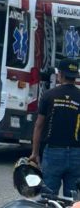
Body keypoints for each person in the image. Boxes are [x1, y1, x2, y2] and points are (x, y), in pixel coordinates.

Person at [29, 58, 80, 197]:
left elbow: (39, 126)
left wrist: (34, 153)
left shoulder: (49, 95)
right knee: (74, 200)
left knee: (48, 198)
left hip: (53, 153)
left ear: (60, 75)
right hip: (77, 154)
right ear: (76, 77)